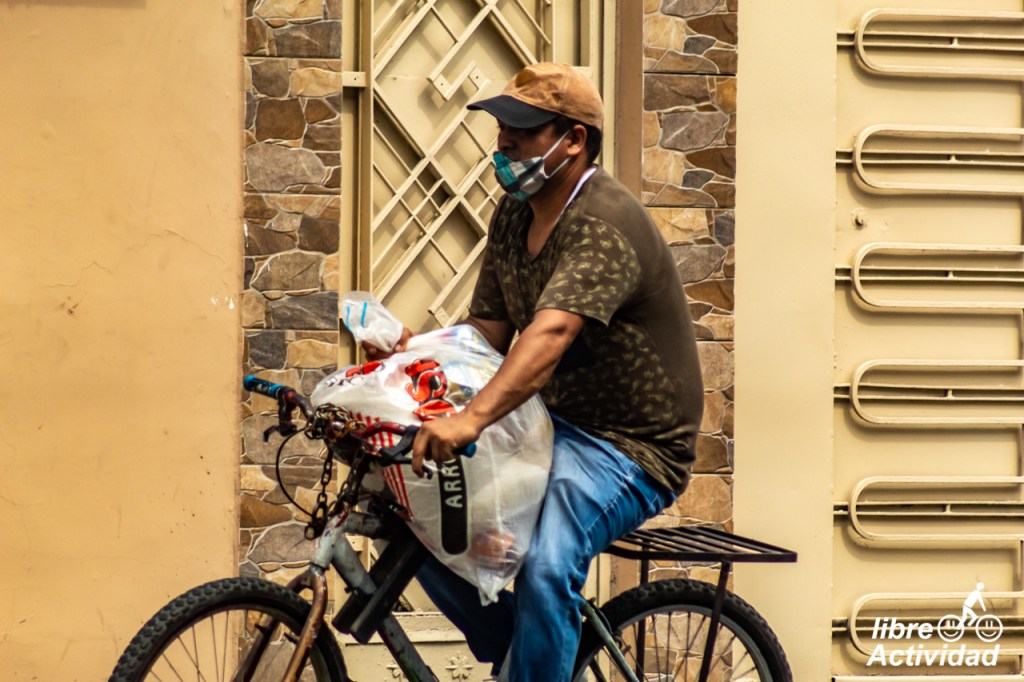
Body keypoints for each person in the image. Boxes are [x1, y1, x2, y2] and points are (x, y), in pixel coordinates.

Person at [364, 62, 704, 682]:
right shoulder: (515, 214)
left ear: (573, 139)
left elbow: (549, 334)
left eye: (522, 129)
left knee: (549, 565)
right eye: (501, 128)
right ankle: (527, 652)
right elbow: (488, 328)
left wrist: (468, 420)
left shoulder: (604, 222)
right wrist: (415, 354)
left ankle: (535, 657)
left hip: (630, 447)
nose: (504, 142)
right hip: (550, 423)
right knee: (408, 514)